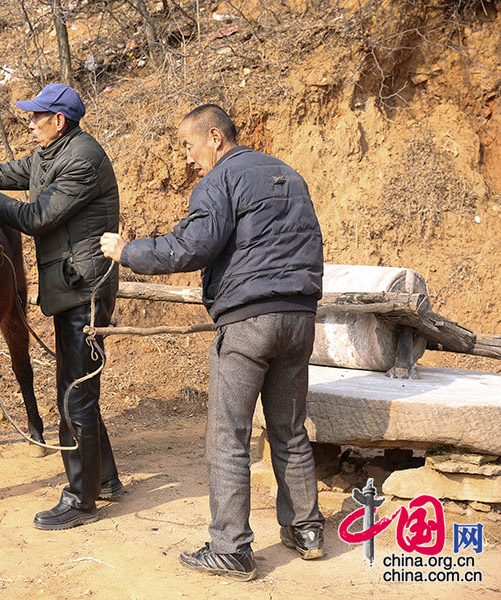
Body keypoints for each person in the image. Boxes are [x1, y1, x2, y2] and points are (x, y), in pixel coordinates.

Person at [100, 104, 325, 580]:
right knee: (290, 429)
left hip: (247, 323)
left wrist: (128, 252)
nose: (187, 157)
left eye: (189, 144)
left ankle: (231, 547)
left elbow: (191, 246)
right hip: (300, 319)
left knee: (228, 436)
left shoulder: (220, 181)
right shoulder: (289, 175)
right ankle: (306, 531)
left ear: (215, 137)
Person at [0, 83, 123, 530]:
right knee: (78, 389)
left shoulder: (82, 160)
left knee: (74, 394)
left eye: (37, 117)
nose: (30, 123)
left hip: (85, 290)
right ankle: (105, 480)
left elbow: (37, 218)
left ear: (59, 121)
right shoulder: (50, 153)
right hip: (69, 287)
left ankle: (80, 499)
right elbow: (4, 171)